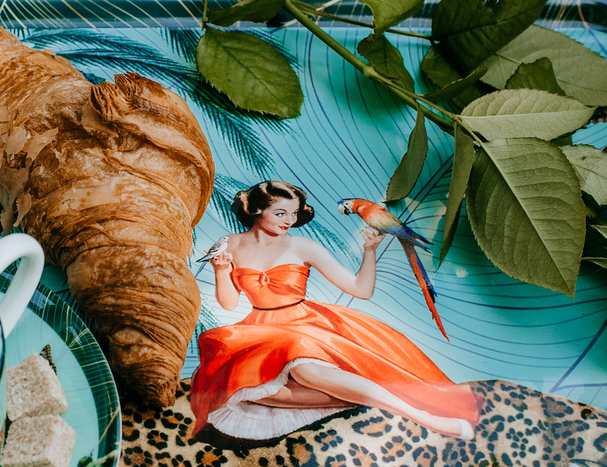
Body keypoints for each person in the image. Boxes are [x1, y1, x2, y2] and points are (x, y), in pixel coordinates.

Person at [189, 180, 479, 443]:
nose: (289, 221)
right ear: (257, 211)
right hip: (260, 328)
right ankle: (354, 396)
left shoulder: (304, 246)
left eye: (293, 213)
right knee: (251, 390)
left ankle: (428, 418)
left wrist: (369, 251)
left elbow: (360, 289)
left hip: (305, 326)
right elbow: (228, 304)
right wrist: (221, 270)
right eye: (281, 213)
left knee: (304, 367)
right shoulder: (230, 244)